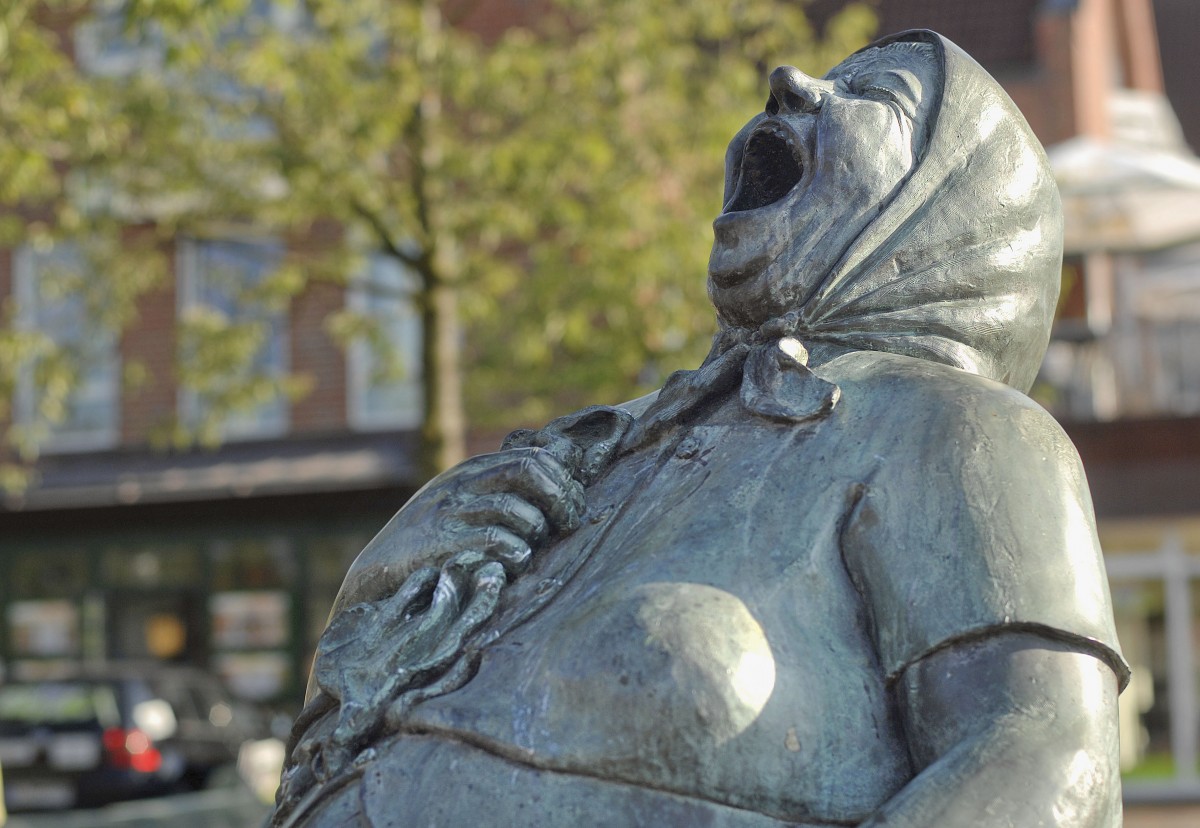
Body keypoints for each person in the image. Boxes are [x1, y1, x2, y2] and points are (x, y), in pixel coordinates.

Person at [274, 30, 1128, 827]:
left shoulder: (958, 429)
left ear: (943, 210)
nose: (790, 84)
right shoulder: (602, 448)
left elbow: (1039, 755)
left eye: (881, 98)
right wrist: (400, 586)